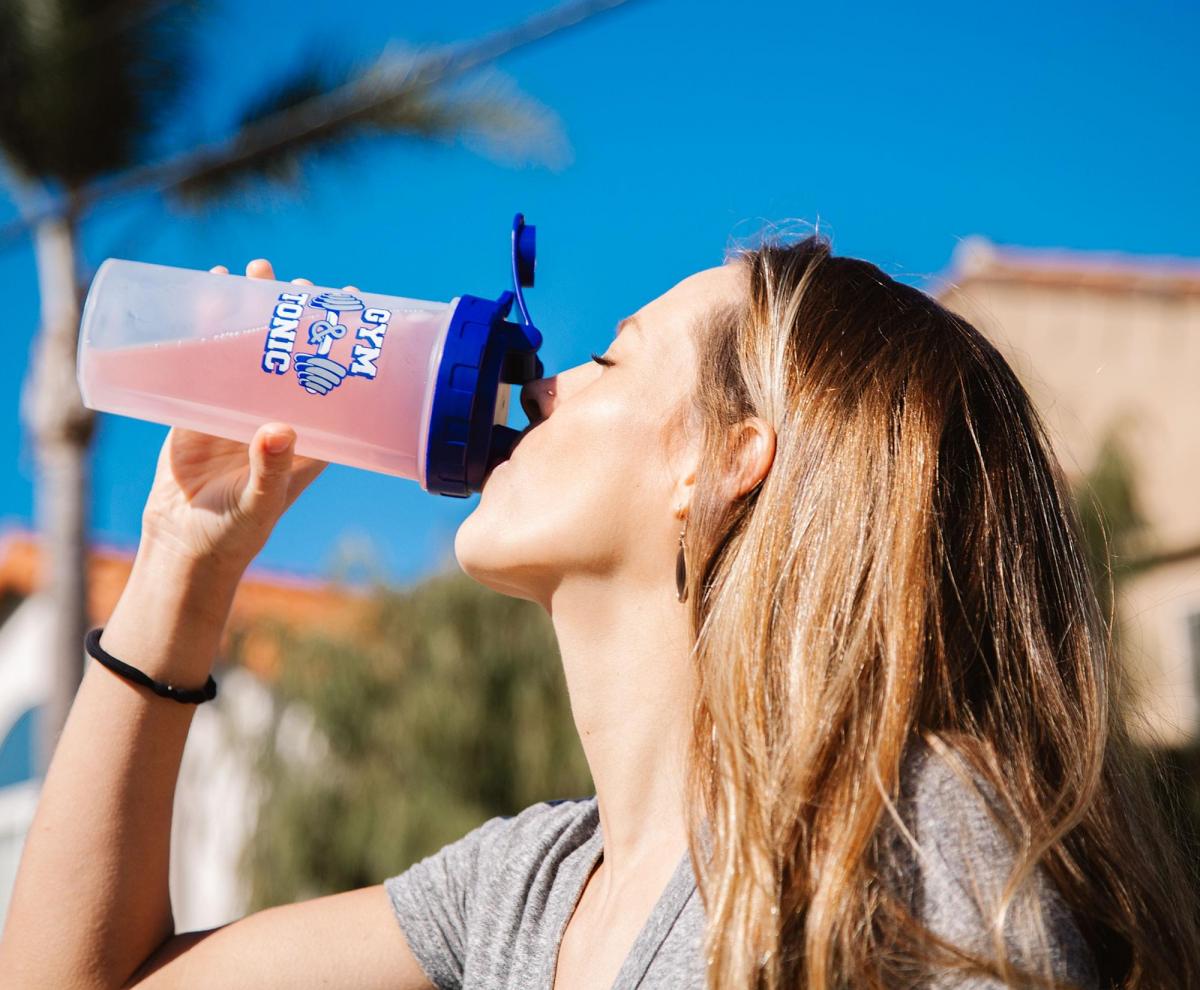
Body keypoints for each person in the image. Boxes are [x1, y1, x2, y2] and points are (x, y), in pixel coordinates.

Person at [0, 233, 1196, 990]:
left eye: (614, 361)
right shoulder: (522, 891)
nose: (552, 384)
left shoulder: (892, 831)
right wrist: (181, 560)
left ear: (725, 465)